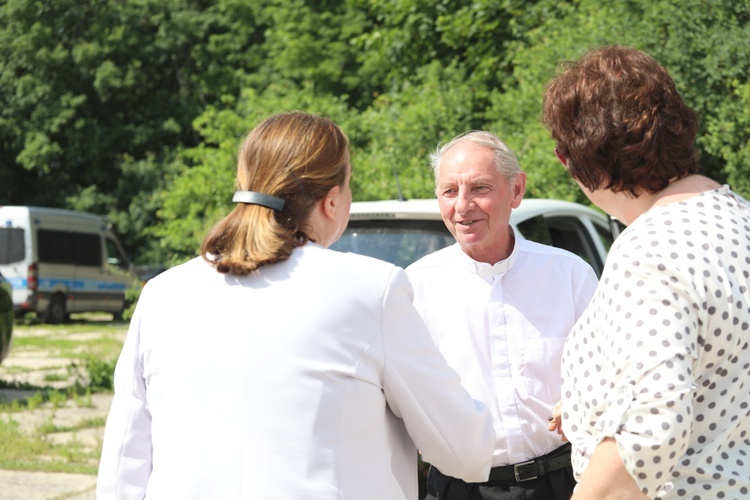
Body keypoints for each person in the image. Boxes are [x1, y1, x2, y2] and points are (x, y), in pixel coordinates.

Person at [96, 112, 496, 499]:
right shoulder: (373, 290)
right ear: (333, 199)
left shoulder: (164, 293)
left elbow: (121, 470)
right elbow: (465, 453)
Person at [542, 45, 750, 499]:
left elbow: (653, 424)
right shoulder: (738, 218)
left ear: (573, 157)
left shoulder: (649, 251)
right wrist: (588, 406)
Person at [405, 130, 599, 500]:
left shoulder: (569, 275)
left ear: (516, 190)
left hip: (563, 484)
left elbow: (610, 378)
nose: (462, 206)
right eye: (449, 191)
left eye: (479, 188)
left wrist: (581, 400)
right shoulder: (414, 287)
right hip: (459, 491)